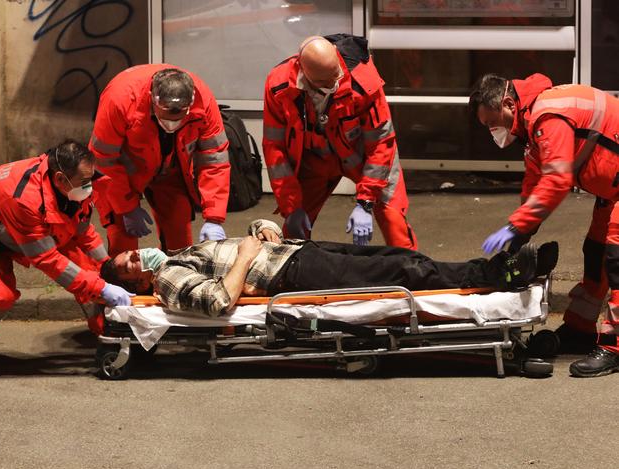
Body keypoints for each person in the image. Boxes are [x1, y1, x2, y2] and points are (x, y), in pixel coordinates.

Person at [469, 73, 619, 377]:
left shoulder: (548, 115)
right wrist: (522, 232)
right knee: (596, 252)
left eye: (491, 123)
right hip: (612, 189)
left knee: (616, 260)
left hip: (614, 186)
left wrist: (515, 227)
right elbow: (535, 180)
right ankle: (580, 329)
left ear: (509, 103)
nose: (492, 132)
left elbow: (556, 180)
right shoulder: (532, 123)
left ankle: (615, 347)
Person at [102, 219, 558, 319]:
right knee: (407, 273)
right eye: (130, 264)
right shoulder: (168, 280)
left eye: (131, 252)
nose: (137, 254)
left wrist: (262, 233)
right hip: (295, 277)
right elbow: (220, 301)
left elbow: (235, 250)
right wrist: (244, 256)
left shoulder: (178, 254)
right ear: (137, 281)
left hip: (297, 254)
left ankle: (493, 268)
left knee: (404, 258)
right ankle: (500, 276)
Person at [0, 140, 133, 378]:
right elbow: (46, 259)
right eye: (84, 183)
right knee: (0, 295)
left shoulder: (77, 182)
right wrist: (102, 287)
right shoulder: (22, 198)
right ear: (59, 179)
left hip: (29, 231)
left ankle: (110, 339)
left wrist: (107, 267)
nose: (89, 187)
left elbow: (83, 230)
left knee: (92, 275)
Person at [262, 34, 415, 248]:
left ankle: (413, 276)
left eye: (336, 75)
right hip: (314, 158)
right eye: (325, 82)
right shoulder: (279, 87)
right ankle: (293, 273)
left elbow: (381, 142)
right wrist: (291, 207)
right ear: (304, 72)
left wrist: (366, 201)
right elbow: (275, 150)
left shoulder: (362, 80)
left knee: (394, 221)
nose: (334, 83)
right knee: (293, 233)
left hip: (363, 156)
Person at [89, 64, 231, 256]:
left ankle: (174, 279)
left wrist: (214, 217)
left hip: (171, 169)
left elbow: (215, 160)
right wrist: (126, 207)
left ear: (190, 104)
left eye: (180, 116)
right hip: (122, 173)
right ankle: (122, 286)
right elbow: (103, 161)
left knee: (180, 242)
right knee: (123, 244)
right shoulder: (120, 99)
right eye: (166, 115)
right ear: (152, 100)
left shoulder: (203, 101)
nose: (172, 123)